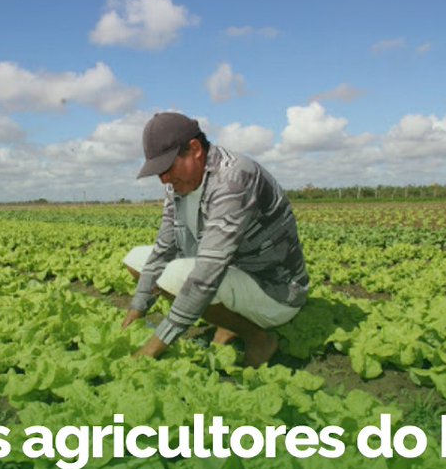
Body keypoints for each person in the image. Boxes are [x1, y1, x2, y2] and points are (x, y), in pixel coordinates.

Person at [120, 112, 309, 366]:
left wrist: (152, 348)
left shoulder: (234, 179)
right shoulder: (177, 184)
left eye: (166, 167)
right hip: (234, 275)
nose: (163, 178)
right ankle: (231, 321)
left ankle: (258, 338)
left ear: (195, 149)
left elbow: (206, 275)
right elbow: (164, 246)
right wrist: (138, 307)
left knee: (183, 275)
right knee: (136, 259)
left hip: (275, 290)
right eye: (158, 172)